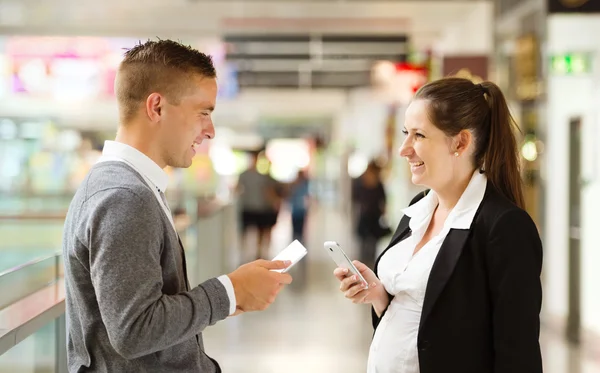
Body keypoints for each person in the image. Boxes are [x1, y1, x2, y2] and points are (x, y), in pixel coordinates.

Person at [62, 39, 293, 373]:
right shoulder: (124, 197)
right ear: (156, 107)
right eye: (203, 113)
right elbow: (134, 329)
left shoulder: (129, 187)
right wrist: (231, 291)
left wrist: (229, 299)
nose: (210, 130)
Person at [333, 77, 543, 373]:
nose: (404, 149)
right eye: (406, 133)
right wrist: (380, 296)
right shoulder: (417, 212)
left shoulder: (503, 226)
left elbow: (517, 352)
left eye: (419, 135)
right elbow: (422, 314)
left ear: (460, 142)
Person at [236, 151, 281, 259]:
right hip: (248, 207)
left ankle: (259, 253)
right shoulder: (244, 175)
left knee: (261, 231)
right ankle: (245, 252)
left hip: (260, 208)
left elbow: (268, 191)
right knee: (246, 231)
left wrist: (273, 202)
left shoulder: (263, 176)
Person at [351, 160, 389, 269]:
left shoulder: (376, 183)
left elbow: (383, 200)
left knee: (371, 243)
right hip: (366, 217)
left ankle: (368, 265)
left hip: (372, 217)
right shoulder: (361, 182)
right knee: (365, 243)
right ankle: (364, 265)